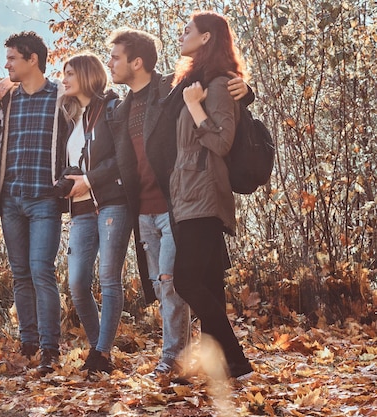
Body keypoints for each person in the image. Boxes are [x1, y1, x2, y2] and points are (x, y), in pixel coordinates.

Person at [106, 27, 253, 379]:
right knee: (192, 283)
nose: (109, 63)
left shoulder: (171, 87)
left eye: (115, 57)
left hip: (182, 200)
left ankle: (202, 359)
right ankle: (224, 365)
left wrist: (247, 92)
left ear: (137, 62)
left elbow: (220, 94)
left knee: (182, 282)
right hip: (149, 206)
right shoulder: (122, 108)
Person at [169, 11, 253, 379]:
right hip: (188, 193)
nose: (182, 35)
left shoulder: (218, 84)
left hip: (203, 194)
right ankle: (229, 366)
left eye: (188, 30)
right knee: (208, 285)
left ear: (206, 38)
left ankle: (236, 358)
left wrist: (194, 107)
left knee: (186, 280)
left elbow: (221, 141)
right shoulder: (193, 80)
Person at [0, 31, 68, 375]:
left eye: (13, 58)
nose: (7, 65)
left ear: (33, 59)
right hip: (12, 200)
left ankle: (50, 348)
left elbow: (99, 94)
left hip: (45, 200)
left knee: (41, 271)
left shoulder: (61, 95)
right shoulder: (6, 101)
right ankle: (28, 343)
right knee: (20, 274)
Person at [57, 53, 132, 374]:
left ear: (87, 75)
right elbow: (75, 162)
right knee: (76, 283)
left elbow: (121, 159)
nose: (64, 79)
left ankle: (100, 354)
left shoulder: (112, 109)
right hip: (81, 209)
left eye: (70, 73)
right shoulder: (75, 118)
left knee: (109, 279)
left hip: (113, 201)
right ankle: (98, 349)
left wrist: (89, 179)